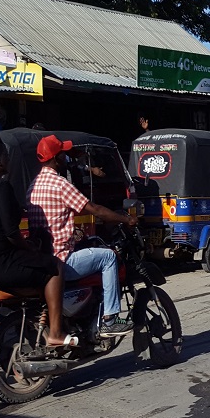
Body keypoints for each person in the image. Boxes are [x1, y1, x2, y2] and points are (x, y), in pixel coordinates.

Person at [0, 135, 74, 346]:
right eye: (6, 155)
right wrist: (31, 249)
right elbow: (11, 233)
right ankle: (56, 332)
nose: (8, 160)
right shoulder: (1, 187)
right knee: (55, 266)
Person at [26, 135, 138, 336]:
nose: (65, 157)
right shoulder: (60, 184)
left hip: (44, 259)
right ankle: (110, 319)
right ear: (56, 158)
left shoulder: (32, 187)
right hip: (63, 260)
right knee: (109, 257)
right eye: (63, 153)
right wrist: (124, 219)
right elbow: (94, 209)